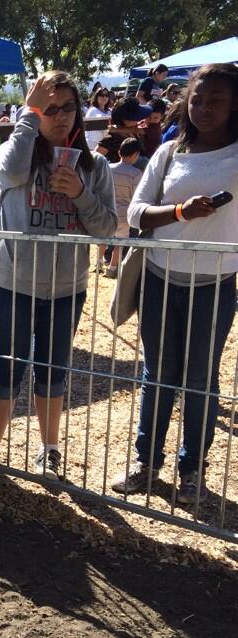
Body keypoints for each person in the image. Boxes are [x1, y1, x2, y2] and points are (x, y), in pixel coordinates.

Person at [0, 71, 117, 481]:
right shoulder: (17, 154)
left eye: (68, 107)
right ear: (35, 112)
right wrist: (29, 113)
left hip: (67, 287)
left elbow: (106, 228)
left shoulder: (94, 166)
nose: (61, 116)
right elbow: (10, 172)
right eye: (50, 108)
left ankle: (50, 449)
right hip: (14, 282)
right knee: (7, 365)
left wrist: (80, 195)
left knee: (53, 369)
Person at [111, 63, 238, 505]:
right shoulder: (170, 152)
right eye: (198, 98)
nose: (204, 108)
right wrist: (182, 211)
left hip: (215, 284)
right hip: (161, 278)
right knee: (157, 374)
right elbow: (134, 213)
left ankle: (192, 473)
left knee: (201, 380)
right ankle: (147, 463)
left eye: (216, 99)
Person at [103, 137, 143, 278]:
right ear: (136, 155)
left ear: (119, 152)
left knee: (103, 238)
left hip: (106, 208)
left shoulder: (108, 167)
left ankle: (98, 264)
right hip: (123, 212)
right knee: (119, 243)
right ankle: (112, 268)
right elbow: (137, 195)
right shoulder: (136, 174)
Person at [96, 97, 151, 162]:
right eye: (137, 117)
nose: (140, 119)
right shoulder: (110, 140)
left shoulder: (135, 133)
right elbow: (93, 160)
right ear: (125, 120)